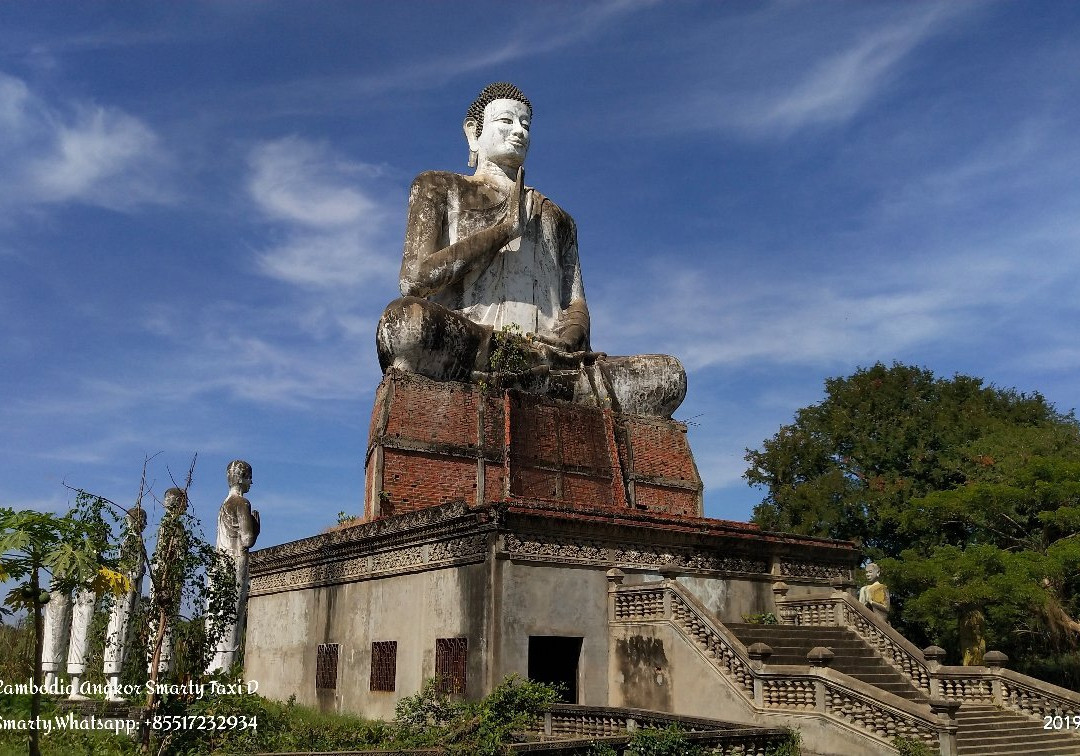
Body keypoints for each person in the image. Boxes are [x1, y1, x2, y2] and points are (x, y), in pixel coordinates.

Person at [376, 82, 686, 418]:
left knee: (667, 376)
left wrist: (571, 334)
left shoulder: (558, 218)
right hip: (478, 344)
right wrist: (503, 231)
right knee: (404, 323)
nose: (519, 132)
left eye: (525, 124)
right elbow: (415, 279)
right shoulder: (439, 187)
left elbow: (575, 302)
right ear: (473, 133)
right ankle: (532, 379)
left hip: (552, 359)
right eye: (506, 121)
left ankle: (544, 379)